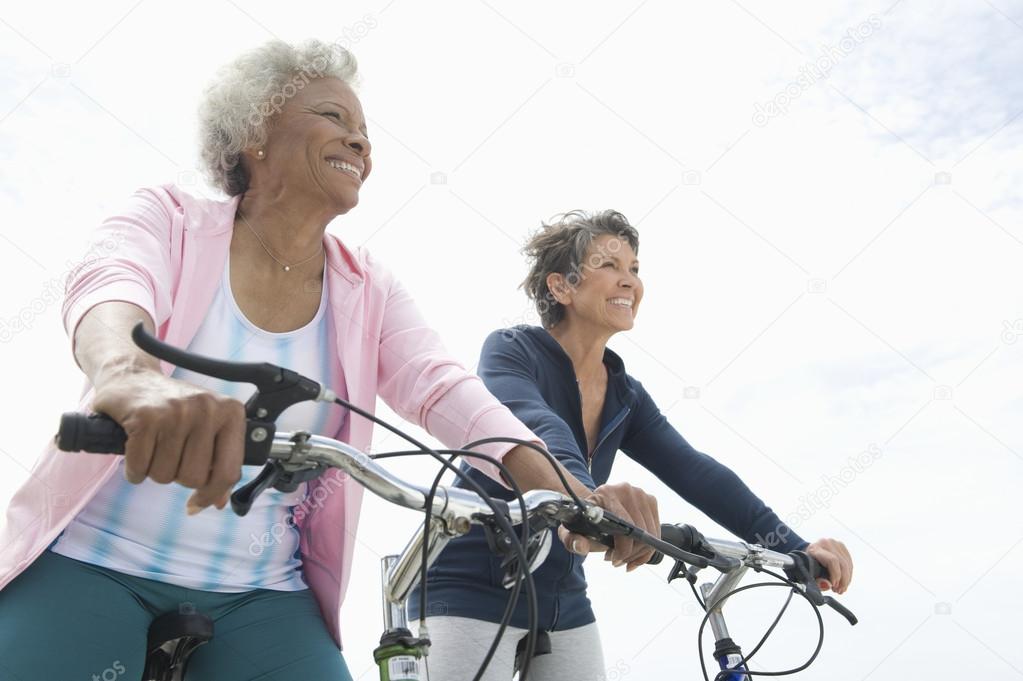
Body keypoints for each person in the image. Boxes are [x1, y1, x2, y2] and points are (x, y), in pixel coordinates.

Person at [0, 39, 591, 680]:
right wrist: (129, 378)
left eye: (365, 133)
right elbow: (110, 285)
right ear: (255, 129)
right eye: (334, 118)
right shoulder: (168, 219)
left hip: (261, 592)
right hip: (93, 557)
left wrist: (564, 488)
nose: (362, 144)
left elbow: (441, 386)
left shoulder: (369, 288)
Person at [415, 210, 855, 680]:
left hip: (563, 598)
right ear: (561, 286)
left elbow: (695, 471)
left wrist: (795, 549)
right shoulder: (511, 350)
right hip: (468, 584)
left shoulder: (625, 393)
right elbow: (537, 426)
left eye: (635, 269)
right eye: (610, 266)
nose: (629, 282)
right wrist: (592, 501)